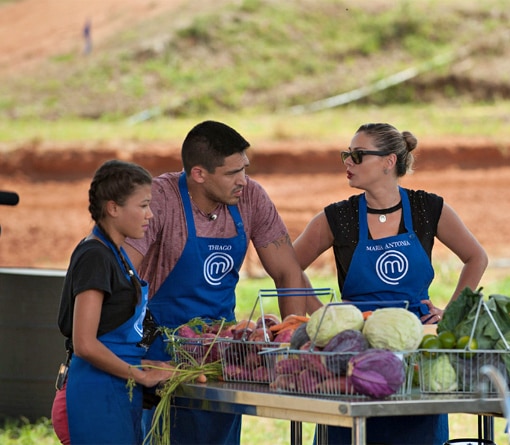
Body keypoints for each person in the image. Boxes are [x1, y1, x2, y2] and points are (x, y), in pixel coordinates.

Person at [125, 120, 320, 444]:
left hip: (222, 355)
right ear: (199, 174)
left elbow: (288, 271)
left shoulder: (251, 197)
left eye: (244, 169)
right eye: (232, 173)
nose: (243, 181)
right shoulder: (161, 198)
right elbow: (124, 274)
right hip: (161, 351)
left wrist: (289, 340)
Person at [293, 122, 488, 444]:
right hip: (353, 351)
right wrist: (323, 315)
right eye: (347, 154)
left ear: (389, 161)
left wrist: (450, 314)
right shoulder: (337, 217)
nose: (347, 162)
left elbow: (476, 258)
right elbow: (289, 266)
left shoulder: (428, 208)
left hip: (413, 349)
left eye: (357, 155)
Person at [51, 160, 175, 444]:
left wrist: (146, 363)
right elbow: (85, 343)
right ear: (113, 208)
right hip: (95, 396)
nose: (151, 214)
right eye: (143, 205)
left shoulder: (116, 255)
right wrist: (141, 376)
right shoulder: (95, 256)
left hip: (117, 392)